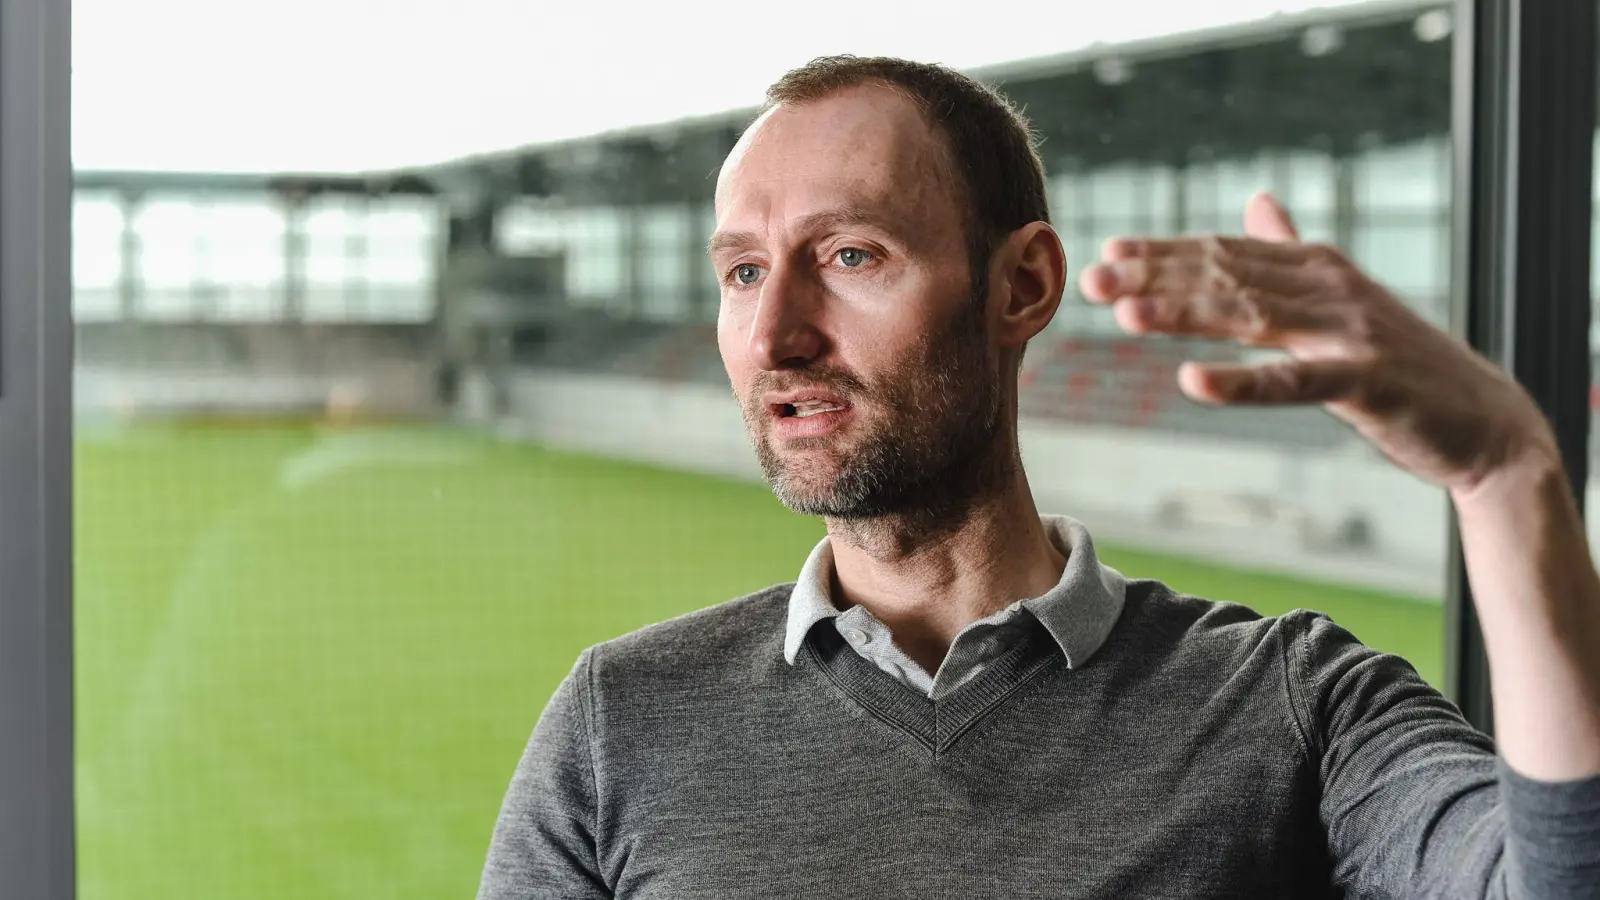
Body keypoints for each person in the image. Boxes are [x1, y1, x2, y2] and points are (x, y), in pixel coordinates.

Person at [477, 56, 1600, 898]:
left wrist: (1508, 478)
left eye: (849, 256)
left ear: (1021, 287)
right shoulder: (617, 721)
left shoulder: (1290, 704)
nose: (776, 335)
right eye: (742, 271)